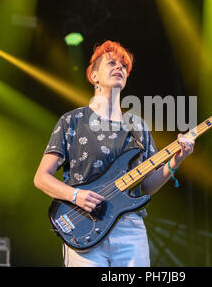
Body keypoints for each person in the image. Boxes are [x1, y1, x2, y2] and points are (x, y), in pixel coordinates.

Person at [34, 40, 195, 267]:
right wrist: (75, 195)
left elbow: (147, 186)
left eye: (124, 66)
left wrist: (176, 161)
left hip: (130, 229)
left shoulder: (138, 127)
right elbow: (41, 178)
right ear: (94, 75)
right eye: (111, 63)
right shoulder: (72, 121)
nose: (119, 67)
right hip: (84, 224)